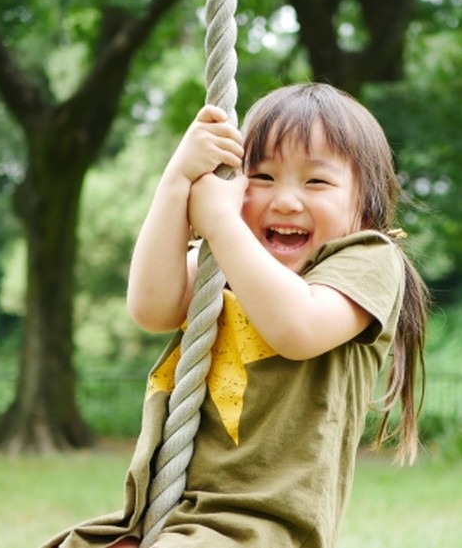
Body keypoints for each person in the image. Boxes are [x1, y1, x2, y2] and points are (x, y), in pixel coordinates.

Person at [44, 83, 429, 548]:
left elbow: (297, 328)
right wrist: (177, 181)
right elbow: (151, 306)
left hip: (263, 521)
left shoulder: (368, 258)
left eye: (316, 182)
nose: (285, 200)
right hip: (165, 513)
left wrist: (222, 223)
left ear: (365, 202)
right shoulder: (226, 256)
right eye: (262, 177)